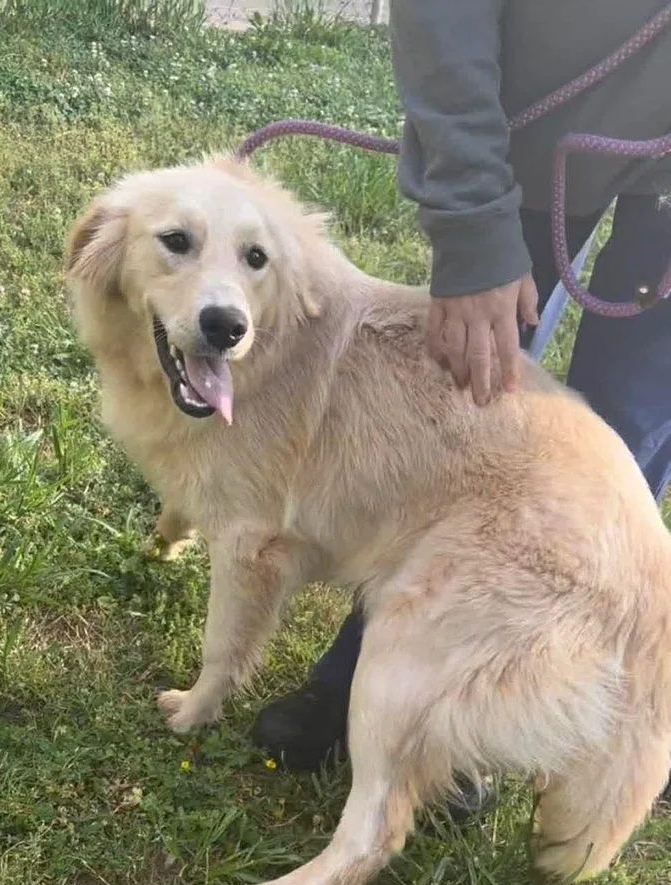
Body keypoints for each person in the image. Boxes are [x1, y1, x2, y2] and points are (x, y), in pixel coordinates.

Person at [253, 0, 671, 811]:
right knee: (463, 418)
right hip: (531, 133)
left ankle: (493, 706)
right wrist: (474, 222)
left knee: (617, 446)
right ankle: (362, 673)